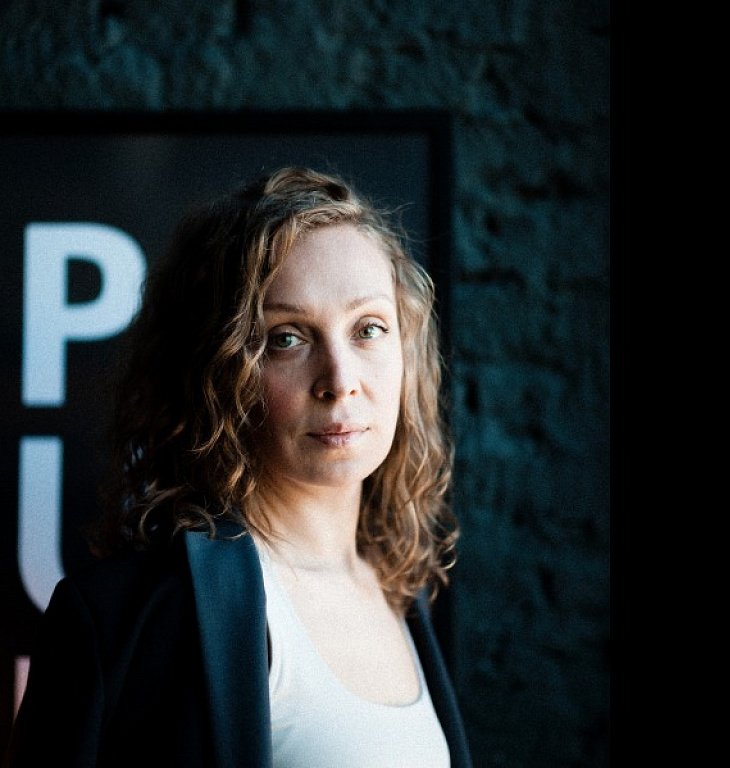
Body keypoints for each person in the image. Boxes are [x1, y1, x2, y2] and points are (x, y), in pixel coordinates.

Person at [4, 166, 472, 768]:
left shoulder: (401, 589)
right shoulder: (126, 618)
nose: (340, 380)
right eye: (287, 338)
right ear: (219, 371)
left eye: (369, 329)